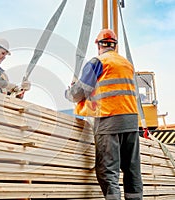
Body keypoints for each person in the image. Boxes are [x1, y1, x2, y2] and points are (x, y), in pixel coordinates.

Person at [65, 29, 143, 200]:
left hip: (109, 119)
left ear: (99, 45)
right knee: (132, 170)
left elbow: (80, 92)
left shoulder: (98, 62)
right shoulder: (126, 64)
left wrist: (69, 92)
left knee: (108, 170)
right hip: (131, 121)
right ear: (115, 45)